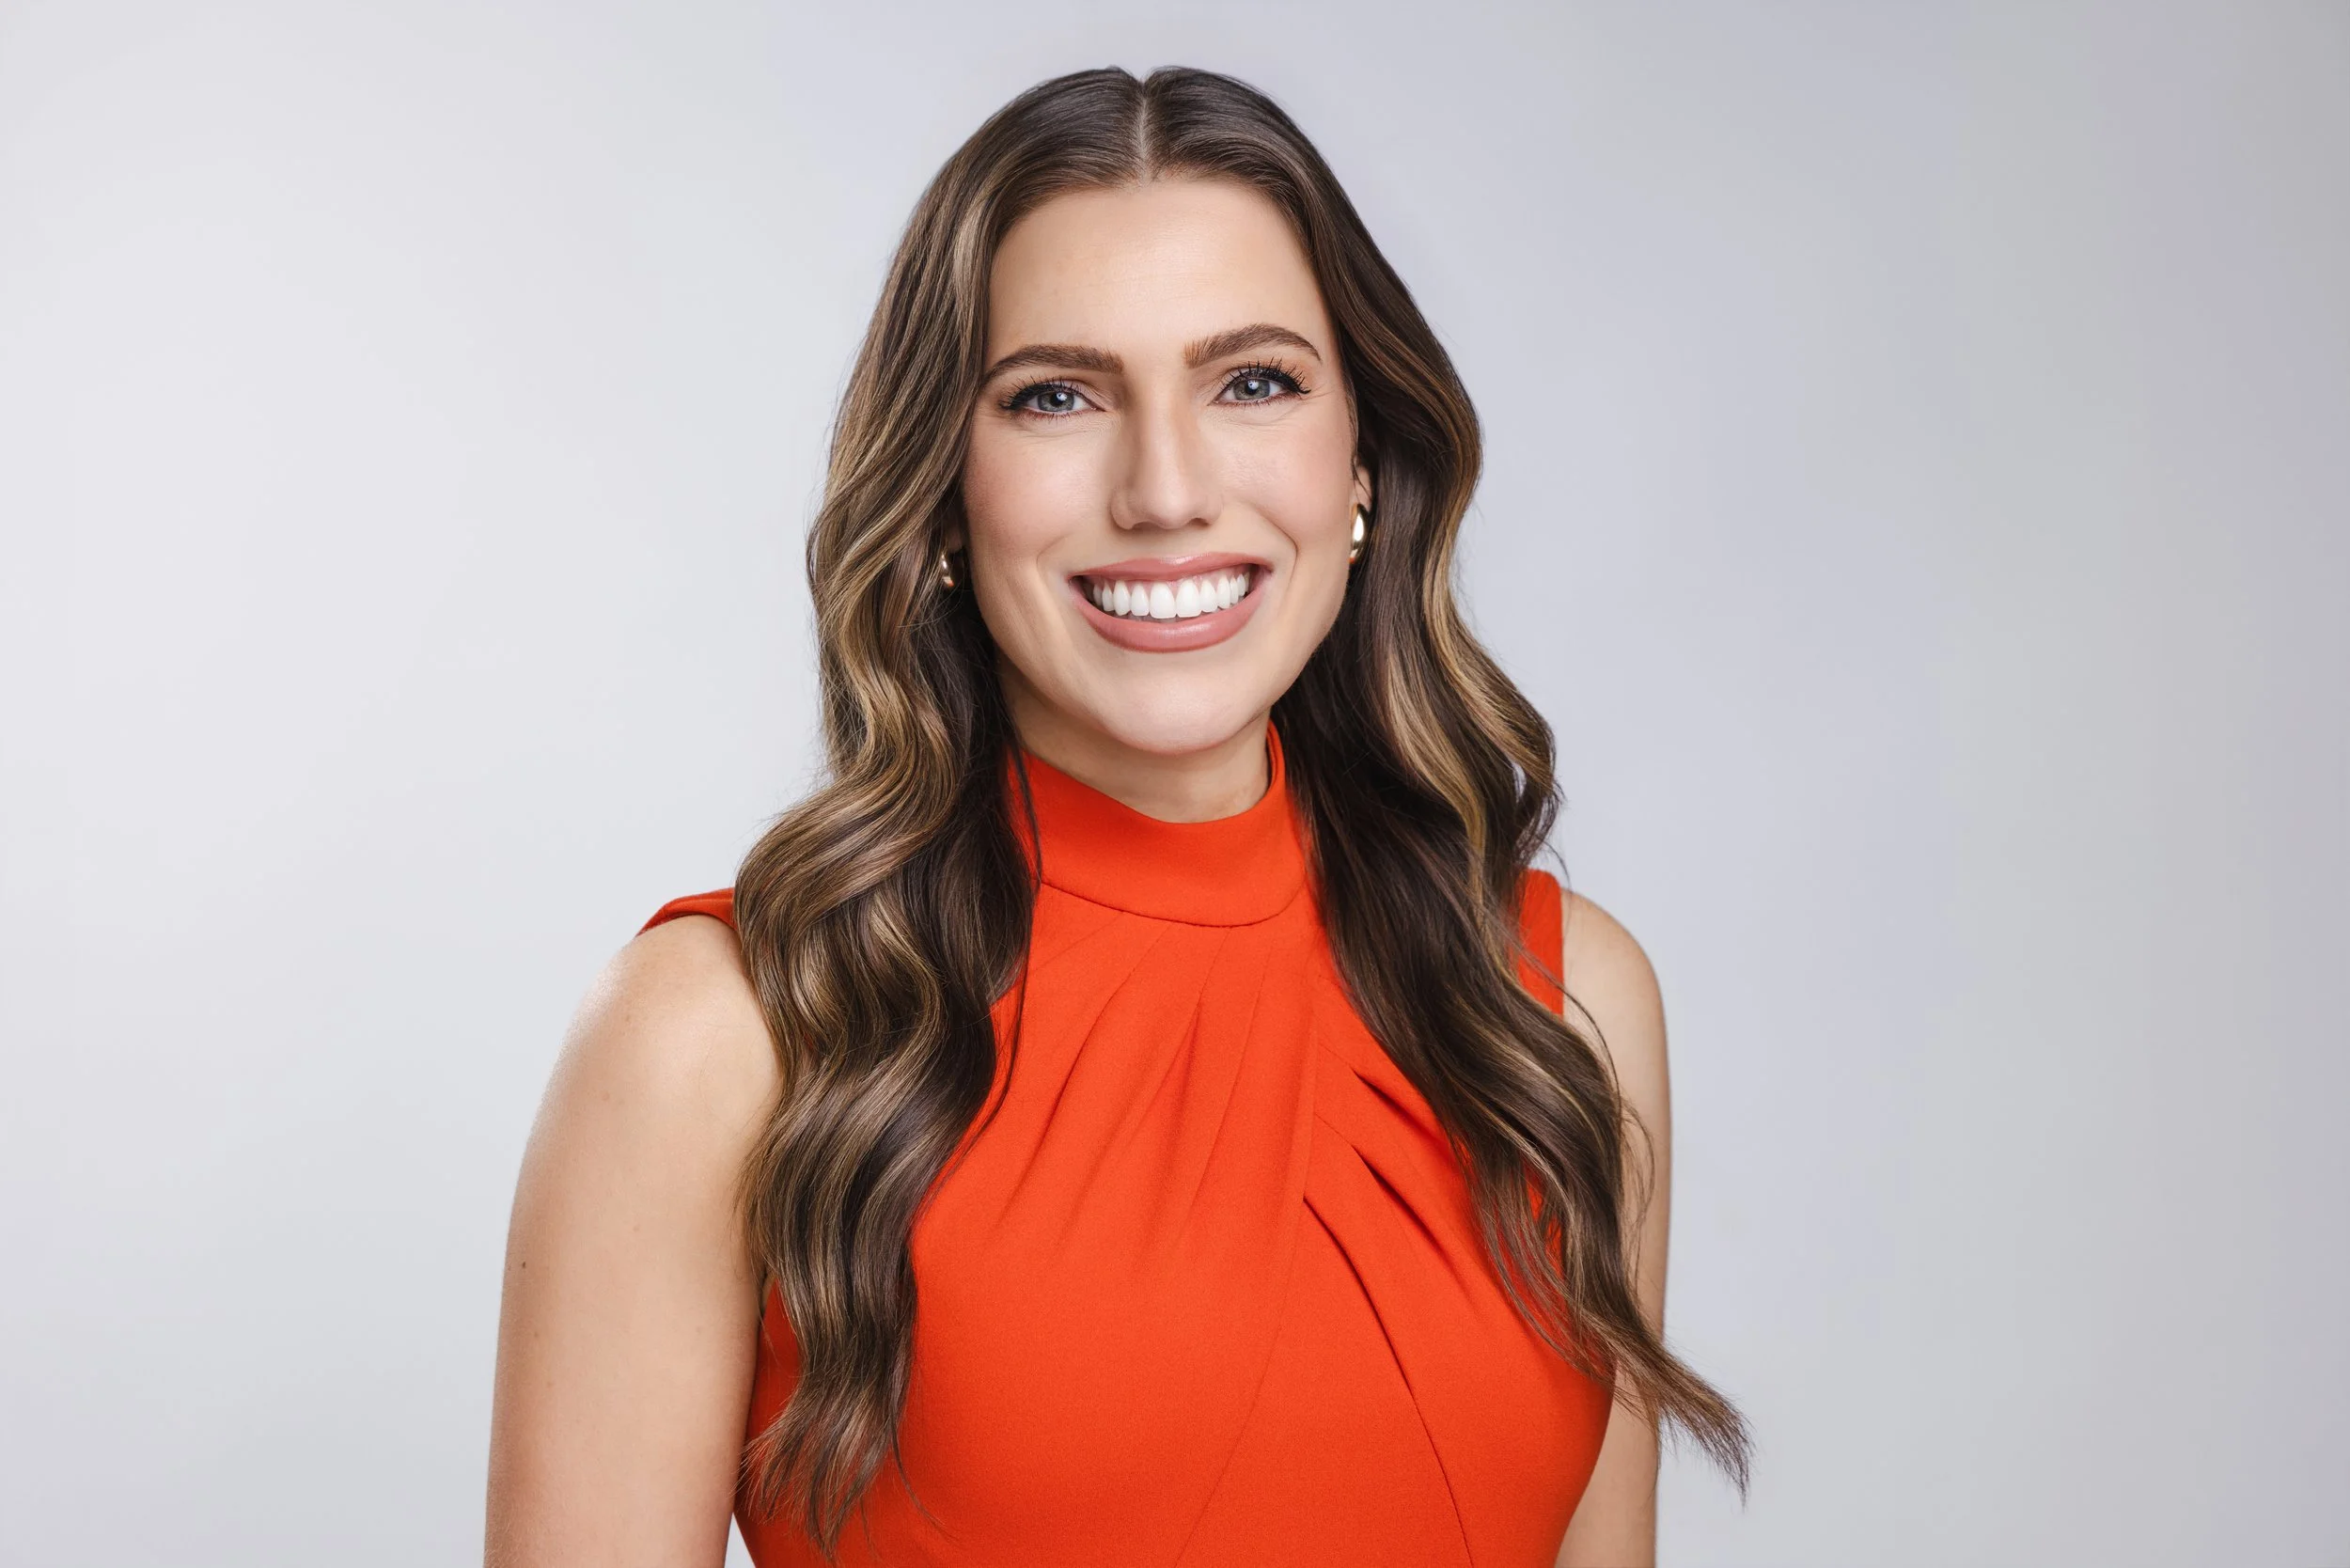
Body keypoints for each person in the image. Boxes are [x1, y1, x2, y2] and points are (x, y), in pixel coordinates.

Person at [485, 64, 1747, 1568]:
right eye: (1057, 397)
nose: (1164, 490)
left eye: (1253, 382)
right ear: (944, 494)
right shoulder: (720, 1038)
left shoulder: (1561, 1007)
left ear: (1361, 464)